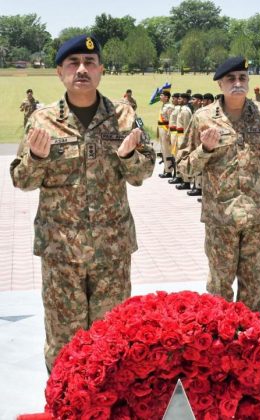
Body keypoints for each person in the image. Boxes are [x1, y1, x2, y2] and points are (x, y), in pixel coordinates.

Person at [9, 35, 156, 371]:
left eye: (90, 63)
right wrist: (35, 157)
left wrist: (130, 155)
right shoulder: (42, 120)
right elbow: (22, 180)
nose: (82, 69)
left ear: (101, 70)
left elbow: (143, 173)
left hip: (111, 251)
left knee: (113, 339)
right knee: (64, 343)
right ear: (59, 72)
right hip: (61, 253)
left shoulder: (123, 116)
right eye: (73, 63)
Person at [178, 56, 260, 312]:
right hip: (221, 220)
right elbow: (184, 167)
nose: (237, 83)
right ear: (220, 84)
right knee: (219, 288)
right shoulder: (202, 118)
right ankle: (220, 345)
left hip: (258, 219)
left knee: (255, 285)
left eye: (242, 78)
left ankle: (251, 344)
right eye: (231, 78)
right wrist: (205, 149)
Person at [157, 89, 176, 178]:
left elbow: (171, 121)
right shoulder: (163, 106)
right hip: (161, 129)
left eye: (161, 95)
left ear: (166, 97)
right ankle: (166, 168)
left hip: (166, 129)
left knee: (167, 150)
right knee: (163, 150)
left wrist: (169, 132)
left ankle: (169, 170)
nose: (160, 97)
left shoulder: (169, 107)